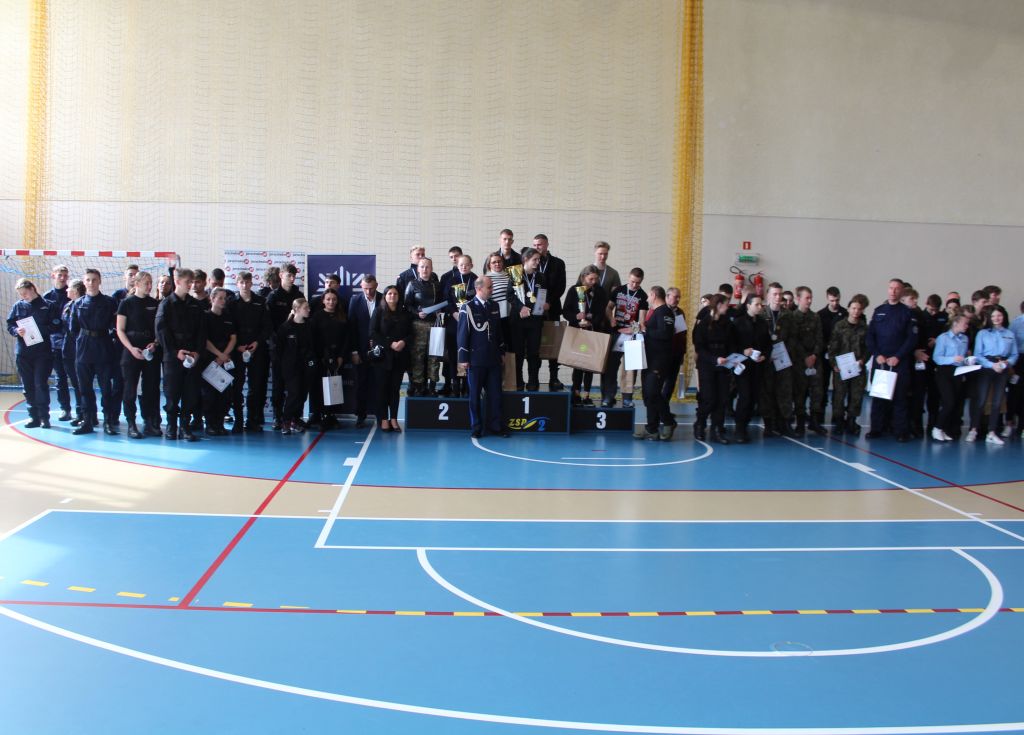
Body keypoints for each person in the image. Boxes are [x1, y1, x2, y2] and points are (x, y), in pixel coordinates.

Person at [155, 268, 206, 441]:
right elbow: (161, 331)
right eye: (187, 282)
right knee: (172, 392)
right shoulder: (166, 304)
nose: (191, 285)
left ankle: (185, 426)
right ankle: (171, 426)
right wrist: (175, 352)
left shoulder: (195, 305)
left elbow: (202, 331)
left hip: (192, 355)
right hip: (173, 356)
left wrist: (197, 352)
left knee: (190, 393)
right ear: (177, 282)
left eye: (192, 282)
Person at [865, 278, 916, 441]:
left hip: (899, 362)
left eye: (896, 289)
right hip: (880, 361)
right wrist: (876, 354)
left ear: (901, 291)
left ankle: (900, 431)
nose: (893, 291)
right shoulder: (879, 310)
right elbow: (870, 336)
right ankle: (876, 429)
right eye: (890, 288)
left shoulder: (907, 313)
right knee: (879, 398)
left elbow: (911, 339)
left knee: (900, 398)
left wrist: (898, 356)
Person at [457, 274, 508, 439]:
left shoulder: (494, 305)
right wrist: (463, 358)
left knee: (496, 395)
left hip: (493, 359)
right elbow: (462, 334)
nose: (492, 289)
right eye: (489, 287)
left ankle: (496, 426)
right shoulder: (467, 307)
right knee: (475, 396)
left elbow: (499, 332)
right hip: (475, 359)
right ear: (479, 288)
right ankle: (476, 427)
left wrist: (502, 352)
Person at [70, 269, 119, 435]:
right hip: (84, 349)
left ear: (100, 281)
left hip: (103, 347)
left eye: (94, 280)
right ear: (84, 282)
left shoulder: (110, 302)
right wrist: (82, 340)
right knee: (85, 388)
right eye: (88, 280)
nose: (91, 283)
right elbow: (73, 328)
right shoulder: (78, 303)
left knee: (106, 388)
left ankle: (108, 422)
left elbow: (116, 326)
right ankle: (87, 421)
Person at [115, 271, 161, 438]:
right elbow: (120, 330)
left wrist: (155, 343)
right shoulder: (126, 303)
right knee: (130, 389)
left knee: (151, 388)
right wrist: (131, 348)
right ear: (137, 284)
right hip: (131, 350)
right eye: (146, 283)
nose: (149, 286)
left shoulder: (155, 303)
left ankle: (149, 422)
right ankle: (131, 423)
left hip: (150, 351)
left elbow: (159, 328)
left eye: (150, 282)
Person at [7, 278, 55, 428]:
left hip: (42, 352)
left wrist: (39, 331)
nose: (23, 296)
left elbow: (56, 325)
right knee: (28, 386)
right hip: (23, 352)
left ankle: (44, 417)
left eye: (25, 293)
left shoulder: (48, 305)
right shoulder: (18, 306)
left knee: (40, 384)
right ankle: (33, 417)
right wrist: (17, 331)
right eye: (20, 294)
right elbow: (10, 324)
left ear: (32, 289)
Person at [967, 305, 1018, 444]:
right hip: (987, 367)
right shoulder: (983, 333)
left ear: (1003, 316)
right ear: (989, 318)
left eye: (999, 315)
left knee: (997, 401)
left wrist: (1007, 363)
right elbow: (978, 354)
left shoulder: (1009, 333)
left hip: (1002, 367)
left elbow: (1014, 354)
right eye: (993, 316)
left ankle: (992, 432)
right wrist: (991, 365)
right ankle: (973, 429)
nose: (996, 318)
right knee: (981, 400)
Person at [229, 271, 271, 433]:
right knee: (237, 386)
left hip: (256, 350)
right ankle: (238, 420)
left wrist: (257, 342)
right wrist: (237, 345)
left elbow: (267, 326)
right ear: (237, 284)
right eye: (242, 282)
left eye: (247, 282)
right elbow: (228, 327)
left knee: (256, 386)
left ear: (251, 283)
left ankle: (252, 420)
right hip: (237, 350)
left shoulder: (261, 302)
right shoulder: (231, 303)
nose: (245, 285)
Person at [562, 265, 610, 406]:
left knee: (590, 364)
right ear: (583, 277)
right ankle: (576, 393)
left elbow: (601, 313)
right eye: (591, 279)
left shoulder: (600, 291)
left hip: (593, 331)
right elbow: (565, 311)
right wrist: (576, 317)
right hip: (577, 331)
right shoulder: (574, 290)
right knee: (577, 363)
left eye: (596, 279)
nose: (593, 282)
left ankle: (587, 395)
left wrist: (591, 321)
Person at [635, 286, 678, 441]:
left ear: (653, 295)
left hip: (659, 360)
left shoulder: (665, 312)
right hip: (649, 359)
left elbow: (666, 334)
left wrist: (646, 330)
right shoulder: (655, 312)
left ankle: (668, 421)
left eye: (648, 296)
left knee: (653, 392)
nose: (647, 299)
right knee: (647, 395)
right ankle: (651, 428)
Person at [601, 267, 647, 408]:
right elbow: (608, 308)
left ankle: (627, 398)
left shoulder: (642, 296)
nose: (634, 285)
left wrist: (632, 329)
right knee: (611, 366)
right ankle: (608, 396)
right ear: (628, 277)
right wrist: (611, 319)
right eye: (632, 281)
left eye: (637, 283)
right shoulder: (618, 290)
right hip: (616, 333)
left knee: (630, 369)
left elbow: (642, 322)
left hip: (632, 336)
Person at [691, 294, 733, 444]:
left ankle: (717, 429)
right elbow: (700, 348)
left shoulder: (727, 323)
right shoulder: (703, 324)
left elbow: (732, 343)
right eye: (726, 304)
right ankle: (699, 424)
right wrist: (714, 359)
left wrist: (733, 358)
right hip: (707, 366)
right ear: (719, 305)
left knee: (722, 399)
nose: (728, 307)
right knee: (709, 399)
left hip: (724, 365)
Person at [266, 263, 304, 429]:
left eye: (294, 276)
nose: (292, 279)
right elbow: (268, 323)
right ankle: (277, 416)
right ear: (281, 275)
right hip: (279, 347)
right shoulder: (273, 296)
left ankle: (295, 417)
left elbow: (303, 320)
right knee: (278, 383)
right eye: (289, 275)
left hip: (295, 348)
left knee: (297, 385)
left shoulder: (299, 294)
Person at [370, 285, 412, 432]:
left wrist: (403, 342)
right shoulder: (379, 311)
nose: (392, 296)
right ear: (385, 296)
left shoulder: (405, 313)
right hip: (382, 358)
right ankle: (383, 419)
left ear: (399, 296)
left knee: (395, 389)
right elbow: (372, 332)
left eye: (395, 294)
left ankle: (393, 418)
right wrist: (390, 344)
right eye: (389, 294)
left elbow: (411, 333)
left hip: (399, 357)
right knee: (382, 389)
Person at [730, 293, 770, 443]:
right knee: (745, 396)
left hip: (757, 366)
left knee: (754, 397)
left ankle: (745, 425)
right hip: (743, 366)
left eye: (761, 305)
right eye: (756, 304)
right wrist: (743, 351)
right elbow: (731, 344)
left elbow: (768, 344)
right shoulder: (738, 323)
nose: (760, 307)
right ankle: (739, 428)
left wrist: (764, 356)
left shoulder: (762, 323)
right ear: (748, 305)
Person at [786, 287, 825, 436]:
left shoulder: (815, 317)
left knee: (817, 391)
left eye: (810, 298)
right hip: (799, 361)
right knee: (799, 393)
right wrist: (804, 357)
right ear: (798, 299)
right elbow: (793, 340)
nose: (809, 301)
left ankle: (814, 421)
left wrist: (814, 355)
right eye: (806, 298)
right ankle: (800, 423)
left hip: (815, 360)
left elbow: (820, 338)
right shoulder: (792, 317)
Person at [309, 289, 352, 428]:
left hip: (337, 358)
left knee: (334, 387)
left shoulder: (343, 316)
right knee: (318, 387)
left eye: (333, 299)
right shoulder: (317, 316)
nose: (331, 302)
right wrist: (322, 356)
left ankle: (331, 415)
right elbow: (313, 338)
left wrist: (341, 356)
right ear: (323, 301)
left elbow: (347, 338)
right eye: (328, 299)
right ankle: (318, 414)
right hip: (321, 358)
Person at [828, 295, 869, 436]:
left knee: (856, 395)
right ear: (848, 309)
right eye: (853, 308)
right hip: (841, 367)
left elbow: (868, 348)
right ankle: (839, 421)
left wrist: (863, 360)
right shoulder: (839, 326)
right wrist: (834, 364)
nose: (856, 311)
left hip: (858, 367)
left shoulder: (864, 328)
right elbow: (832, 347)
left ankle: (852, 420)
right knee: (839, 396)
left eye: (859, 309)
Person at [404, 257, 444, 396]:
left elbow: (442, 302)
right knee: (418, 357)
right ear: (418, 269)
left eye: (427, 267)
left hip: (435, 325)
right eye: (422, 266)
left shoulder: (437, 285)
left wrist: (440, 309)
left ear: (431, 269)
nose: (425, 269)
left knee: (434, 356)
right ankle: (419, 387)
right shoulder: (412, 284)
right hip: (418, 325)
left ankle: (432, 387)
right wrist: (417, 313)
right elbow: (407, 305)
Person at [760, 283, 795, 438]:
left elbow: (793, 337)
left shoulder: (788, 315)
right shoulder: (762, 314)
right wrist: (766, 353)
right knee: (767, 392)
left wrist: (786, 351)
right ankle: (769, 424)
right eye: (774, 294)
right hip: (766, 359)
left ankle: (785, 423)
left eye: (780, 294)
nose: (777, 297)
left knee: (785, 391)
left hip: (783, 359)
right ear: (768, 295)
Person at [200, 287, 237, 436]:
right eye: (220, 298)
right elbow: (205, 340)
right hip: (211, 359)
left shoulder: (228, 317)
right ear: (212, 298)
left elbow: (233, 338)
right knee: (209, 395)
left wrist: (225, 354)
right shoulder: (205, 317)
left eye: (224, 298)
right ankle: (210, 424)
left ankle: (220, 423)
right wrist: (218, 354)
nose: (223, 301)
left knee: (225, 394)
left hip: (225, 359)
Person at [511, 247, 548, 391]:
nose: (538, 262)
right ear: (526, 259)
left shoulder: (541, 277)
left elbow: (544, 295)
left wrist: (545, 304)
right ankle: (518, 381)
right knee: (518, 352)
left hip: (535, 321)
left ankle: (533, 381)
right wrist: (521, 307)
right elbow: (510, 295)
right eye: (535, 259)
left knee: (534, 352)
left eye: (539, 260)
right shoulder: (515, 274)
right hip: (518, 320)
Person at [533, 234, 567, 391]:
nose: (537, 247)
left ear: (547, 244)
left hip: (552, 308)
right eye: (535, 245)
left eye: (540, 244)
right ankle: (534, 378)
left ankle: (554, 378)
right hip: (535, 310)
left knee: (554, 342)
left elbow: (561, 286)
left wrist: (549, 302)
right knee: (536, 343)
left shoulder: (558, 263)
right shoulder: (531, 262)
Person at [276, 297, 315, 435]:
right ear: (297, 309)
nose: (308, 310)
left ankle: (295, 419)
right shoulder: (285, 328)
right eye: (306, 308)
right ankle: (286, 421)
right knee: (294, 393)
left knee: (303, 394)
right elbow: (279, 349)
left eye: (308, 307)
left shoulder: (310, 326)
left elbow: (313, 346)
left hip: (306, 365)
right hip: (291, 367)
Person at [348, 275, 382, 427]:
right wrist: (354, 351)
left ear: (376, 285)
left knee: (380, 384)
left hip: (380, 350)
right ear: (361, 286)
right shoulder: (355, 301)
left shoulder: (384, 298)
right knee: (361, 383)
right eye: (365, 288)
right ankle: (360, 415)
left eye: (371, 288)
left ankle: (381, 415)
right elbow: (351, 328)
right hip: (361, 350)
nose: (368, 292)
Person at [931, 313, 971, 442]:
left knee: (956, 403)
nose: (966, 326)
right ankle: (937, 428)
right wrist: (952, 359)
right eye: (964, 323)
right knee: (949, 401)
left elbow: (963, 356)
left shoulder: (965, 339)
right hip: (944, 371)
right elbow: (937, 357)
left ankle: (944, 429)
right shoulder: (943, 338)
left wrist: (967, 361)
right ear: (955, 323)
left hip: (958, 371)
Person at [441, 256, 476, 397]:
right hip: (454, 322)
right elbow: (446, 300)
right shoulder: (451, 280)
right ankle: (455, 384)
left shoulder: (475, 280)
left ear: (471, 265)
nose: (464, 267)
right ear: (457, 265)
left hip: (472, 322)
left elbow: (479, 299)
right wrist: (453, 313)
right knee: (453, 354)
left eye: (466, 265)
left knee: (468, 353)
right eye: (461, 265)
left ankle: (467, 384)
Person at [43, 265, 73, 421]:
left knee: (77, 378)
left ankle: (83, 411)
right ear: (53, 275)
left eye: (65, 275)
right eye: (60, 275)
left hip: (72, 343)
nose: (63, 278)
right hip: (54, 344)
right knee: (60, 378)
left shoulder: (72, 293)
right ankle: (65, 409)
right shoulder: (46, 297)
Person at [816, 286, 848, 421]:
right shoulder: (820, 314)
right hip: (824, 354)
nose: (835, 303)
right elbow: (818, 335)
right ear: (827, 298)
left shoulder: (845, 314)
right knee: (822, 385)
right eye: (832, 300)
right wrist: (826, 346)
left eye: (837, 300)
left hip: (840, 355)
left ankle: (837, 414)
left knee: (839, 387)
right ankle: (820, 413)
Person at [661, 287, 688, 403]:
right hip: (663, 352)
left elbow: (683, 333)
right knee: (661, 380)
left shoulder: (680, 312)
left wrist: (683, 351)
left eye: (679, 297)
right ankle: (657, 407)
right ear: (667, 296)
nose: (677, 299)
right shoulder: (660, 311)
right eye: (675, 297)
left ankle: (664, 405)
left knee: (671, 381)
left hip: (677, 352)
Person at [483, 252, 514, 345]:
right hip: (496, 316)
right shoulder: (486, 278)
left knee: (511, 344)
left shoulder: (510, 275)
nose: (497, 264)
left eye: (499, 261)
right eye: (494, 262)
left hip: (512, 315)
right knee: (499, 345)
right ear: (489, 265)